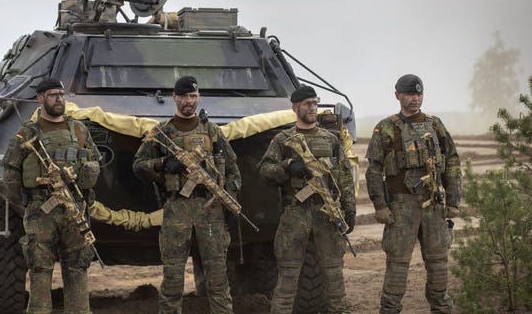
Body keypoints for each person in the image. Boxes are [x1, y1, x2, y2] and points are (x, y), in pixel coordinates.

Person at [132, 76, 241, 314]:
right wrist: (163, 163)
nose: (188, 101)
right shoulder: (162, 132)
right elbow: (139, 165)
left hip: (210, 208)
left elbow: (232, 169)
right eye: (183, 96)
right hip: (177, 208)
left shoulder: (212, 131)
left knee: (218, 278)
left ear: (198, 97)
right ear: (174, 98)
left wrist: (229, 201)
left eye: (193, 96)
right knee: (173, 278)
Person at [3, 78, 101, 314]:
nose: (59, 99)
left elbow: (94, 160)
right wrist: (27, 203)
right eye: (53, 95)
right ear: (40, 98)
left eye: (61, 94)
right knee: (40, 269)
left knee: (78, 268)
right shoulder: (27, 133)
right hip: (42, 210)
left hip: (74, 210)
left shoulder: (79, 129)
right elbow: (10, 171)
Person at [365, 74, 461, 314]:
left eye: (418, 94)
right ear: (398, 95)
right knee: (398, 265)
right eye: (409, 94)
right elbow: (374, 170)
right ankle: (390, 310)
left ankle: (441, 308)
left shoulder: (435, 124)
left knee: (439, 264)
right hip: (401, 206)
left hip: (434, 205)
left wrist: (453, 201)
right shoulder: (385, 128)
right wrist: (380, 206)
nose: (415, 98)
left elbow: (452, 162)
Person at [258, 85, 356, 314]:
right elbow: (264, 170)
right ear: (295, 108)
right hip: (295, 214)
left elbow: (343, 176)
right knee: (288, 276)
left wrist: (349, 209)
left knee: (334, 275)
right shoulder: (283, 139)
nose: (313, 108)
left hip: (327, 213)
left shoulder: (330, 139)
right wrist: (288, 166)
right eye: (307, 104)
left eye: (315, 102)